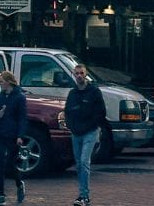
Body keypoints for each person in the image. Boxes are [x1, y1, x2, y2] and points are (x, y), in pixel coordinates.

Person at [64, 63, 106, 206]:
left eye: (82, 73)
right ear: (74, 75)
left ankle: (84, 196)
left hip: (90, 132)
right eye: (77, 73)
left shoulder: (94, 92)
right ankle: (82, 194)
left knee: (84, 161)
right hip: (76, 133)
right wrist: (72, 126)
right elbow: (67, 112)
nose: (79, 76)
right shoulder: (72, 93)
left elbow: (101, 113)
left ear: (85, 74)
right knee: (79, 164)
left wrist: (91, 126)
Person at [0, 70, 27, 205]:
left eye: (1, 82)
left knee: (10, 164)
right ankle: (1, 195)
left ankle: (19, 183)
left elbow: (22, 118)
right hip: (0, 133)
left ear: (9, 82)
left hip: (13, 135)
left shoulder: (19, 97)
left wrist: (20, 136)